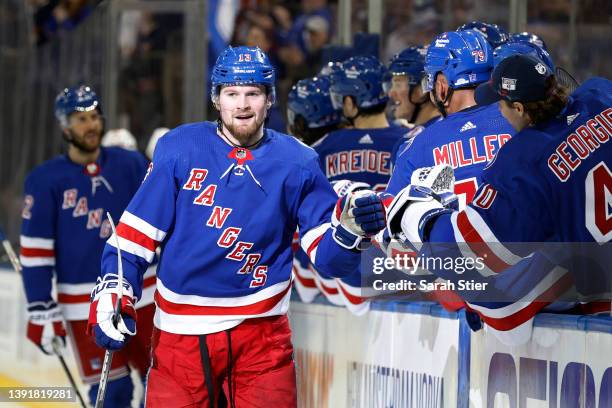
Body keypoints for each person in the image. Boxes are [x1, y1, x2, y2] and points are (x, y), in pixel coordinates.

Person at [87, 46, 385, 407]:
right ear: (216, 99)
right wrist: (114, 292)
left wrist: (350, 233)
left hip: (263, 340)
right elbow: (134, 239)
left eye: (253, 93)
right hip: (181, 339)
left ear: (269, 98)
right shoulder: (179, 149)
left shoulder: (299, 161)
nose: (242, 105)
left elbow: (329, 260)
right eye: (232, 94)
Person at [386, 54, 612, 336]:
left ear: (517, 108)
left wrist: (420, 219)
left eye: (499, 103)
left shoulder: (523, 161)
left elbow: (469, 252)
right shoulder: (600, 94)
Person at [19, 85, 156, 407]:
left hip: (143, 293)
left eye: (94, 117)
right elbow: (36, 251)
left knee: (161, 382)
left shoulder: (131, 164)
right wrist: (40, 306)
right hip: (83, 305)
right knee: (113, 393)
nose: (91, 125)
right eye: (81, 119)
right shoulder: (44, 181)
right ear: (65, 127)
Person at [387, 45, 441, 167]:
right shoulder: (452, 127)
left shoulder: (409, 144)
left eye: (398, 84)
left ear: (422, 89)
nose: (391, 93)